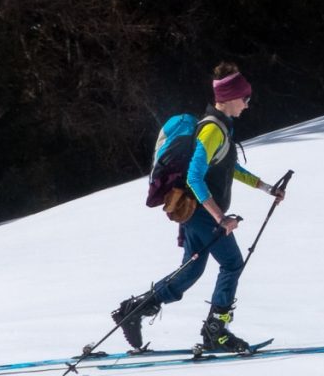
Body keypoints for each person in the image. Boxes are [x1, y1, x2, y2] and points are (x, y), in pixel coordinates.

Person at [112, 64, 285, 353]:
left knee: (191, 270)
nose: (247, 104)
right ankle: (216, 332)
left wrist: (267, 188)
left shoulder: (220, 128)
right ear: (230, 97)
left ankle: (134, 310)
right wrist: (220, 217)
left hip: (195, 213)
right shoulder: (212, 130)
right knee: (232, 263)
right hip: (202, 213)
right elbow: (194, 176)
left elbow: (231, 167)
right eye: (245, 98)